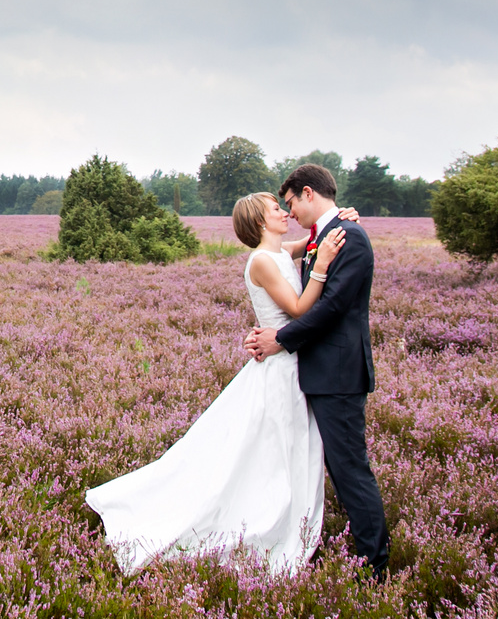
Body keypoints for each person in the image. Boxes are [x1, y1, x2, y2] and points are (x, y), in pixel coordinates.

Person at [84, 189, 353, 575]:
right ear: (261, 221)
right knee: (269, 448)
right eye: (276, 209)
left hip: (288, 361)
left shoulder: (278, 252)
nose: (284, 211)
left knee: (275, 447)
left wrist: (340, 218)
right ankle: (263, 519)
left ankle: (289, 511)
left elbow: (307, 243)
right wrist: (323, 265)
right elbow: (297, 309)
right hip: (279, 368)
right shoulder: (261, 260)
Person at [245, 164, 389, 579]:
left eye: (289, 202)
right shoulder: (324, 237)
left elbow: (330, 310)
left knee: (349, 469)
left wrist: (281, 339)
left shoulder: (349, 238)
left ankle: (375, 567)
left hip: (338, 375)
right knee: (328, 467)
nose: (289, 213)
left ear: (308, 193)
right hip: (318, 373)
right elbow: (280, 262)